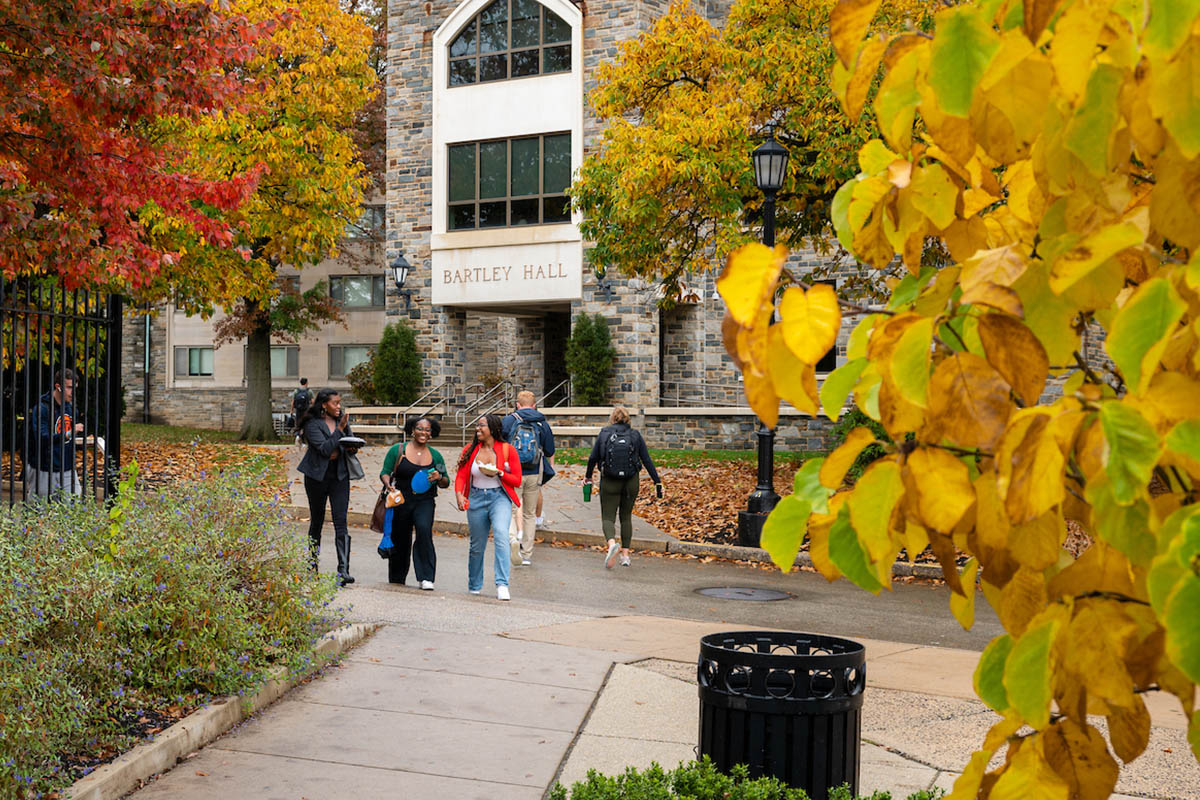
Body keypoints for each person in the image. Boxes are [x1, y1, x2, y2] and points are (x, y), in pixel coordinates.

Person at [584, 406, 663, 569]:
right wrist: (657, 481)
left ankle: (612, 543)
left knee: (608, 517)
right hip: (631, 481)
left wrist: (588, 476)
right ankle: (625, 556)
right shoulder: (635, 435)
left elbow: (593, 458)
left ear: (612, 419)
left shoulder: (605, 434)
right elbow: (646, 460)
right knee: (626, 517)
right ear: (628, 420)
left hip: (609, 480)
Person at [454, 414, 522, 600]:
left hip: (499, 498)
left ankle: (502, 584)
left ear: (492, 428)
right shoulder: (470, 450)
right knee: (477, 545)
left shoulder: (507, 450)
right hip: (476, 498)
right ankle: (474, 585)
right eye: (477, 425)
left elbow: (517, 480)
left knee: (501, 534)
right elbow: (461, 476)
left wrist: (500, 473)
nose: (478, 428)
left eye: (481, 425)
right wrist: (460, 494)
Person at [379, 416, 450, 590]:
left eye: (427, 430)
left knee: (424, 531)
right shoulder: (398, 450)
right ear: (412, 430)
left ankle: (426, 577)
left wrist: (439, 477)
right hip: (401, 500)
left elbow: (446, 481)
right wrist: (387, 484)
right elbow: (385, 472)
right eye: (420, 428)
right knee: (400, 537)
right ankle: (397, 577)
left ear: (431, 433)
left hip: (424, 501)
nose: (423, 433)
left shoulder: (435, 455)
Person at [296, 388, 357, 586]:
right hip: (317, 477)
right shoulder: (313, 425)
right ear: (324, 405)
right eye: (335, 403)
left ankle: (343, 570)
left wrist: (351, 446)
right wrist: (339, 431)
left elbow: (344, 445)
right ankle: (312, 564)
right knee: (317, 520)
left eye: (340, 403)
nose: (338, 406)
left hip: (339, 475)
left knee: (341, 520)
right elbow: (324, 449)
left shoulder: (342, 423)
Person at [500, 390, 555, 566]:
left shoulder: (509, 420)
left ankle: (512, 539)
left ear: (517, 404)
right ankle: (526, 554)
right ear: (534, 405)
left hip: (512, 472)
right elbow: (549, 451)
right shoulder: (542, 422)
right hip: (533, 472)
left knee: (510, 508)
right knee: (530, 514)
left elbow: (499, 445)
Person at [24, 367, 85, 499]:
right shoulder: (42, 408)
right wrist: (68, 434)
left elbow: (68, 439)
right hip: (44, 468)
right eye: (69, 387)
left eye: (74, 387)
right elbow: (42, 438)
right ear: (58, 387)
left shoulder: (71, 408)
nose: (72, 392)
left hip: (67, 467)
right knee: (40, 511)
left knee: (73, 505)